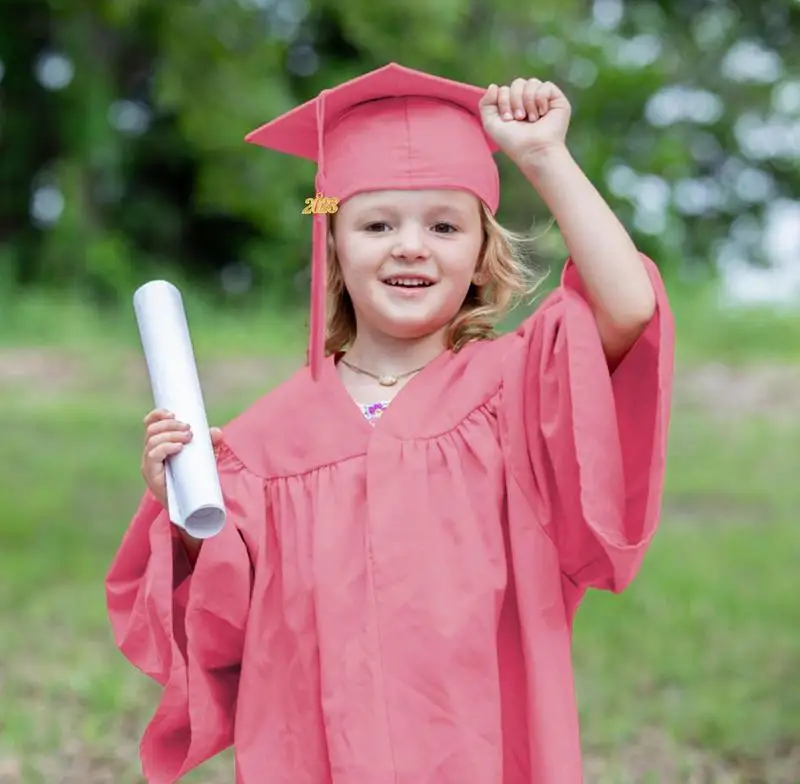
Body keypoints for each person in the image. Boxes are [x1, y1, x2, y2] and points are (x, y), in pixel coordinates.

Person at [106, 62, 674, 784]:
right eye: (377, 224)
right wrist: (181, 504)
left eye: (444, 224)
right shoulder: (259, 448)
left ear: (480, 254)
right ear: (333, 244)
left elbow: (626, 308)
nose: (411, 245)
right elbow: (219, 624)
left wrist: (544, 159)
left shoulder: (513, 392)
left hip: (481, 749)